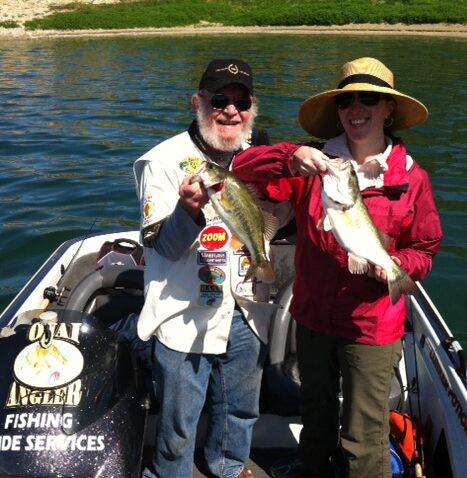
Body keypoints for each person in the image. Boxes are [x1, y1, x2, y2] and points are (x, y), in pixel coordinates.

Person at [232, 57, 443, 478]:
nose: (356, 109)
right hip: (312, 317)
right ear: (338, 111)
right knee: (316, 417)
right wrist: (292, 157)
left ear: (388, 110)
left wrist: (399, 266)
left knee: (364, 436)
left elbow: (425, 247)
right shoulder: (317, 166)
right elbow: (240, 170)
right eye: (347, 101)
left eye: (370, 99)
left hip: (372, 325)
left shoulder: (411, 177)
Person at [133, 59, 273, 478]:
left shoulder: (262, 157)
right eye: (219, 100)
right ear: (198, 102)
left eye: (241, 101)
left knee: (241, 410)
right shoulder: (162, 161)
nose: (231, 111)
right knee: (178, 421)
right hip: (183, 311)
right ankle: (171, 473)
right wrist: (187, 211)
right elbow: (164, 245)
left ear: (253, 108)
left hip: (247, 306)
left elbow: (278, 215)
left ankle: (227, 468)